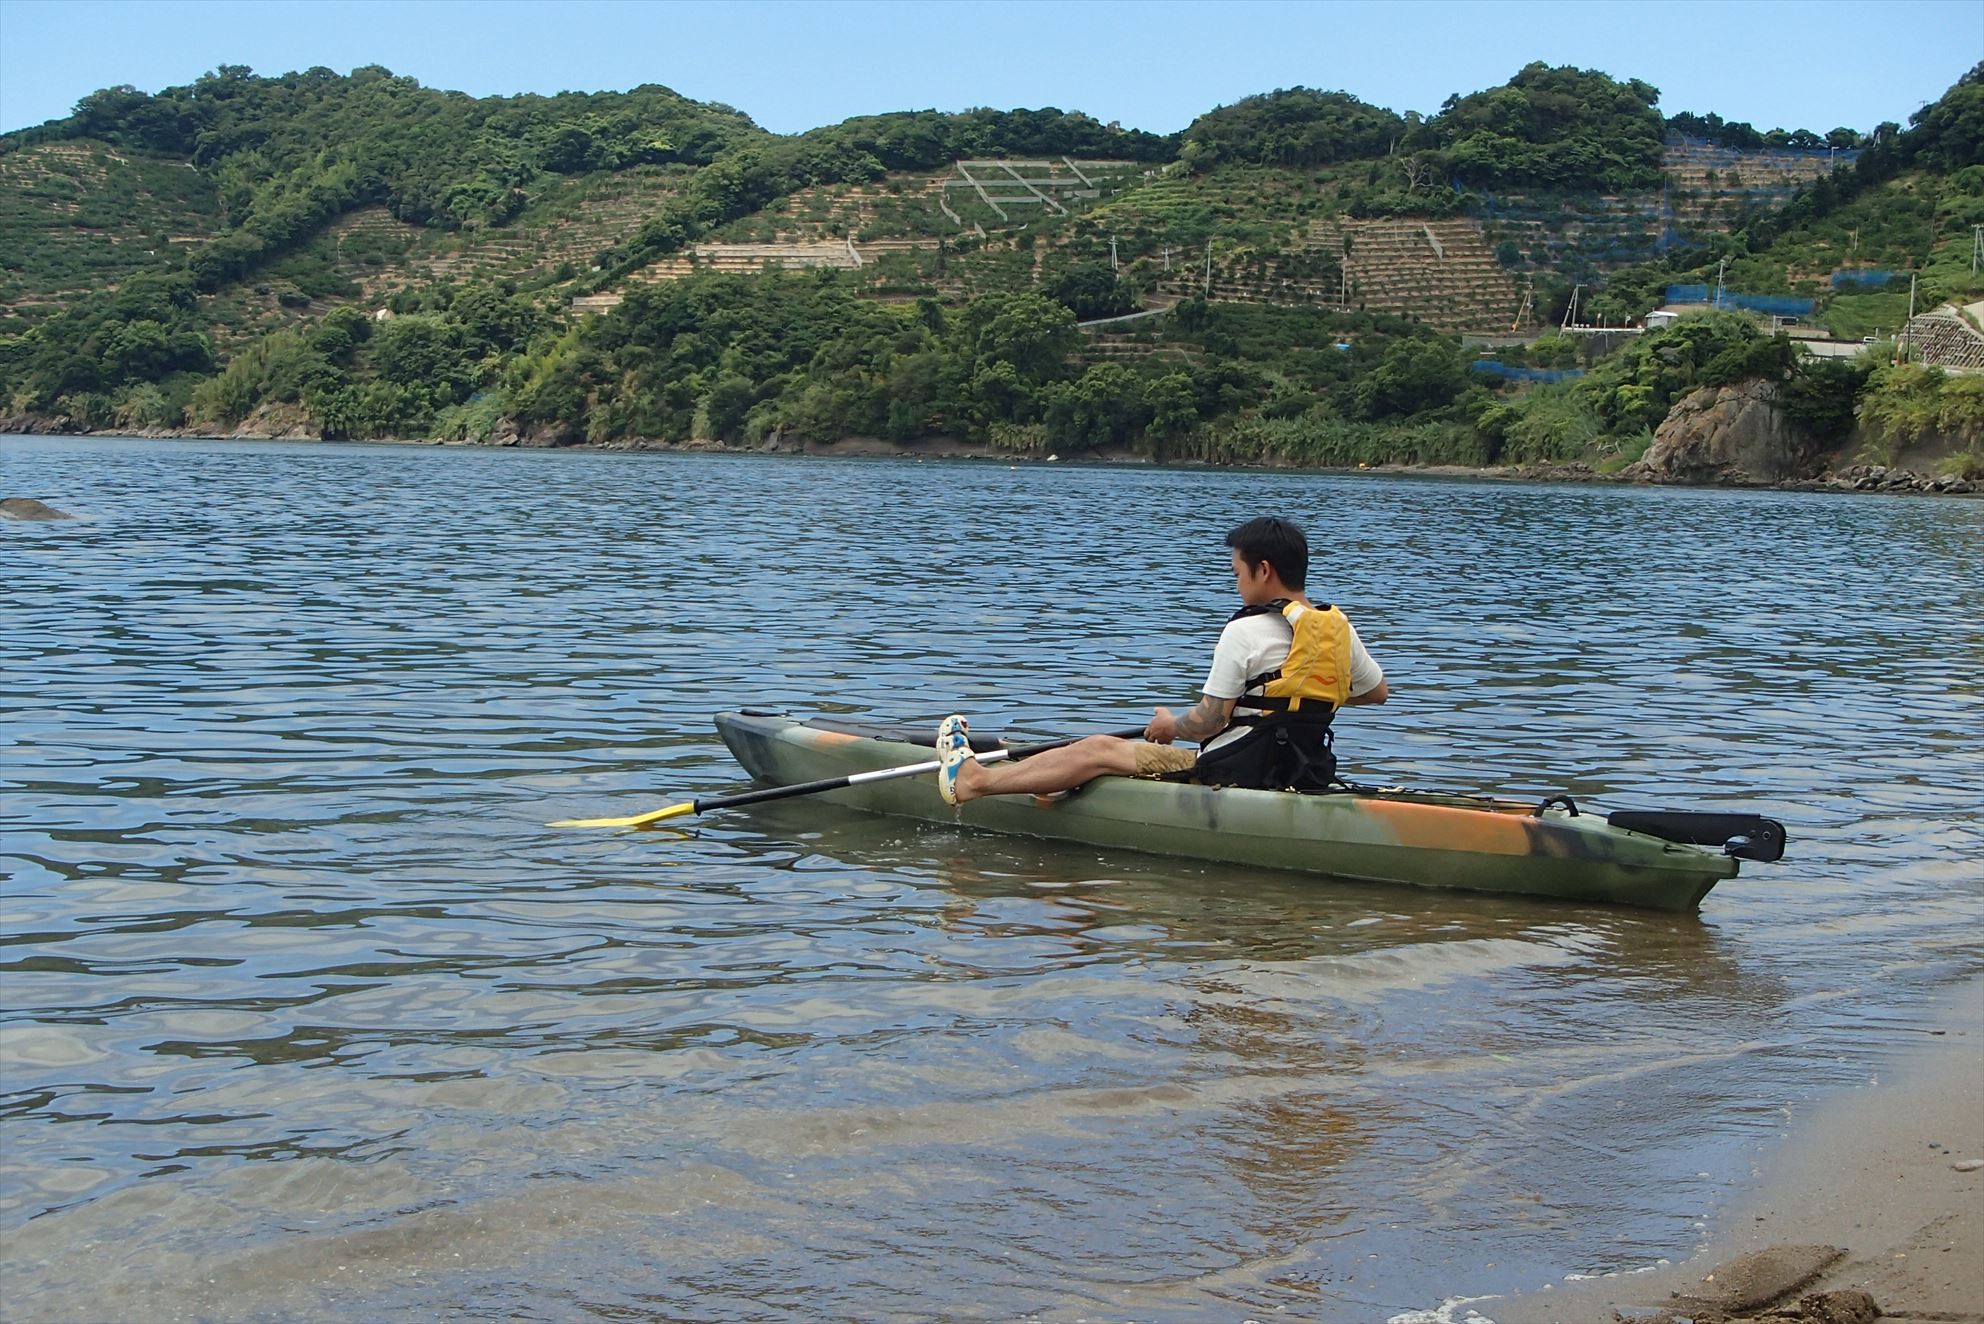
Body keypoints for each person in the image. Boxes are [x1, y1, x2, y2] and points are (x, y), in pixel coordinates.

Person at [937, 515, 1388, 805]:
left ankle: (975, 781)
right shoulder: (1336, 630)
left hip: (1233, 773)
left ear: (1264, 570)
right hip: (1298, 770)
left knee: (1098, 748)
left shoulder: (1245, 630)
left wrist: (1171, 726)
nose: (1237, 585)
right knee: (1111, 751)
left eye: (1237, 574)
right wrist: (1298, 697)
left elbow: (1210, 720)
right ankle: (1032, 777)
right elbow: (1375, 692)